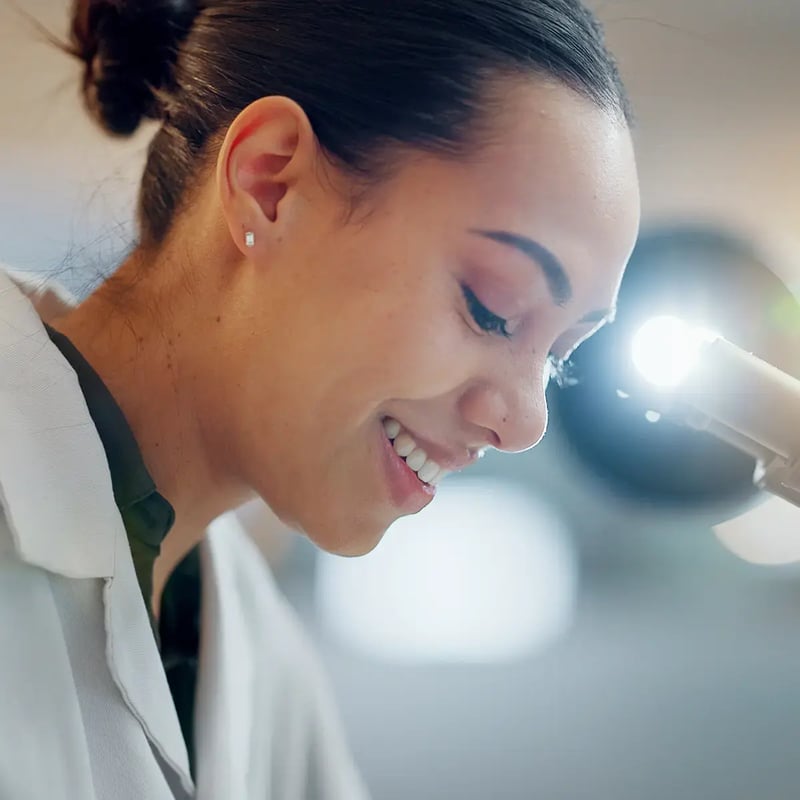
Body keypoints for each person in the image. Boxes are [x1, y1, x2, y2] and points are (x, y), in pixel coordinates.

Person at [0, 0, 640, 797]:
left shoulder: (261, 670)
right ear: (269, 183)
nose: (525, 422)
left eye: (562, 355)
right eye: (493, 307)